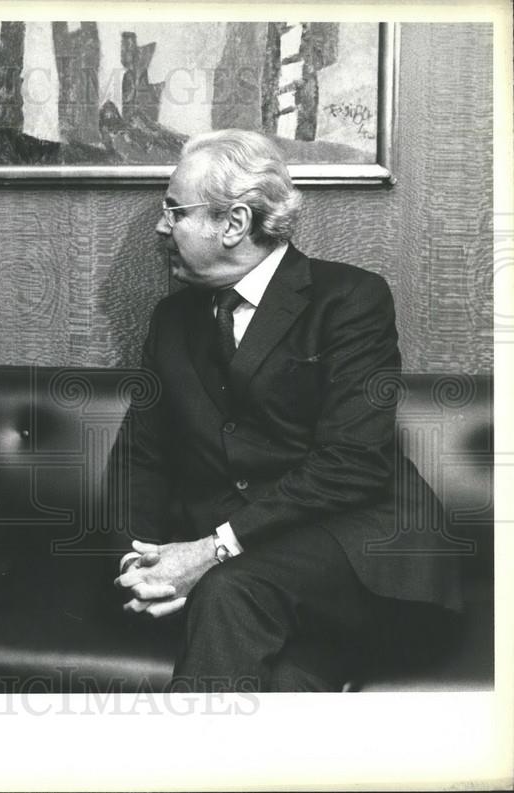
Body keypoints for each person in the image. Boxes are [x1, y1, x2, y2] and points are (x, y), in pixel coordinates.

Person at [110, 129, 462, 692]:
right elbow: (141, 457)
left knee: (230, 589)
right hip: (265, 579)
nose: (160, 227)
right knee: (287, 680)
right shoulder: (171, 321)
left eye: (174, 211)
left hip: (359, 553)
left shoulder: (351, 299)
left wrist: (211, 550)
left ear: (234, 223)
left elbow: (352, 463)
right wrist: (138, 563)